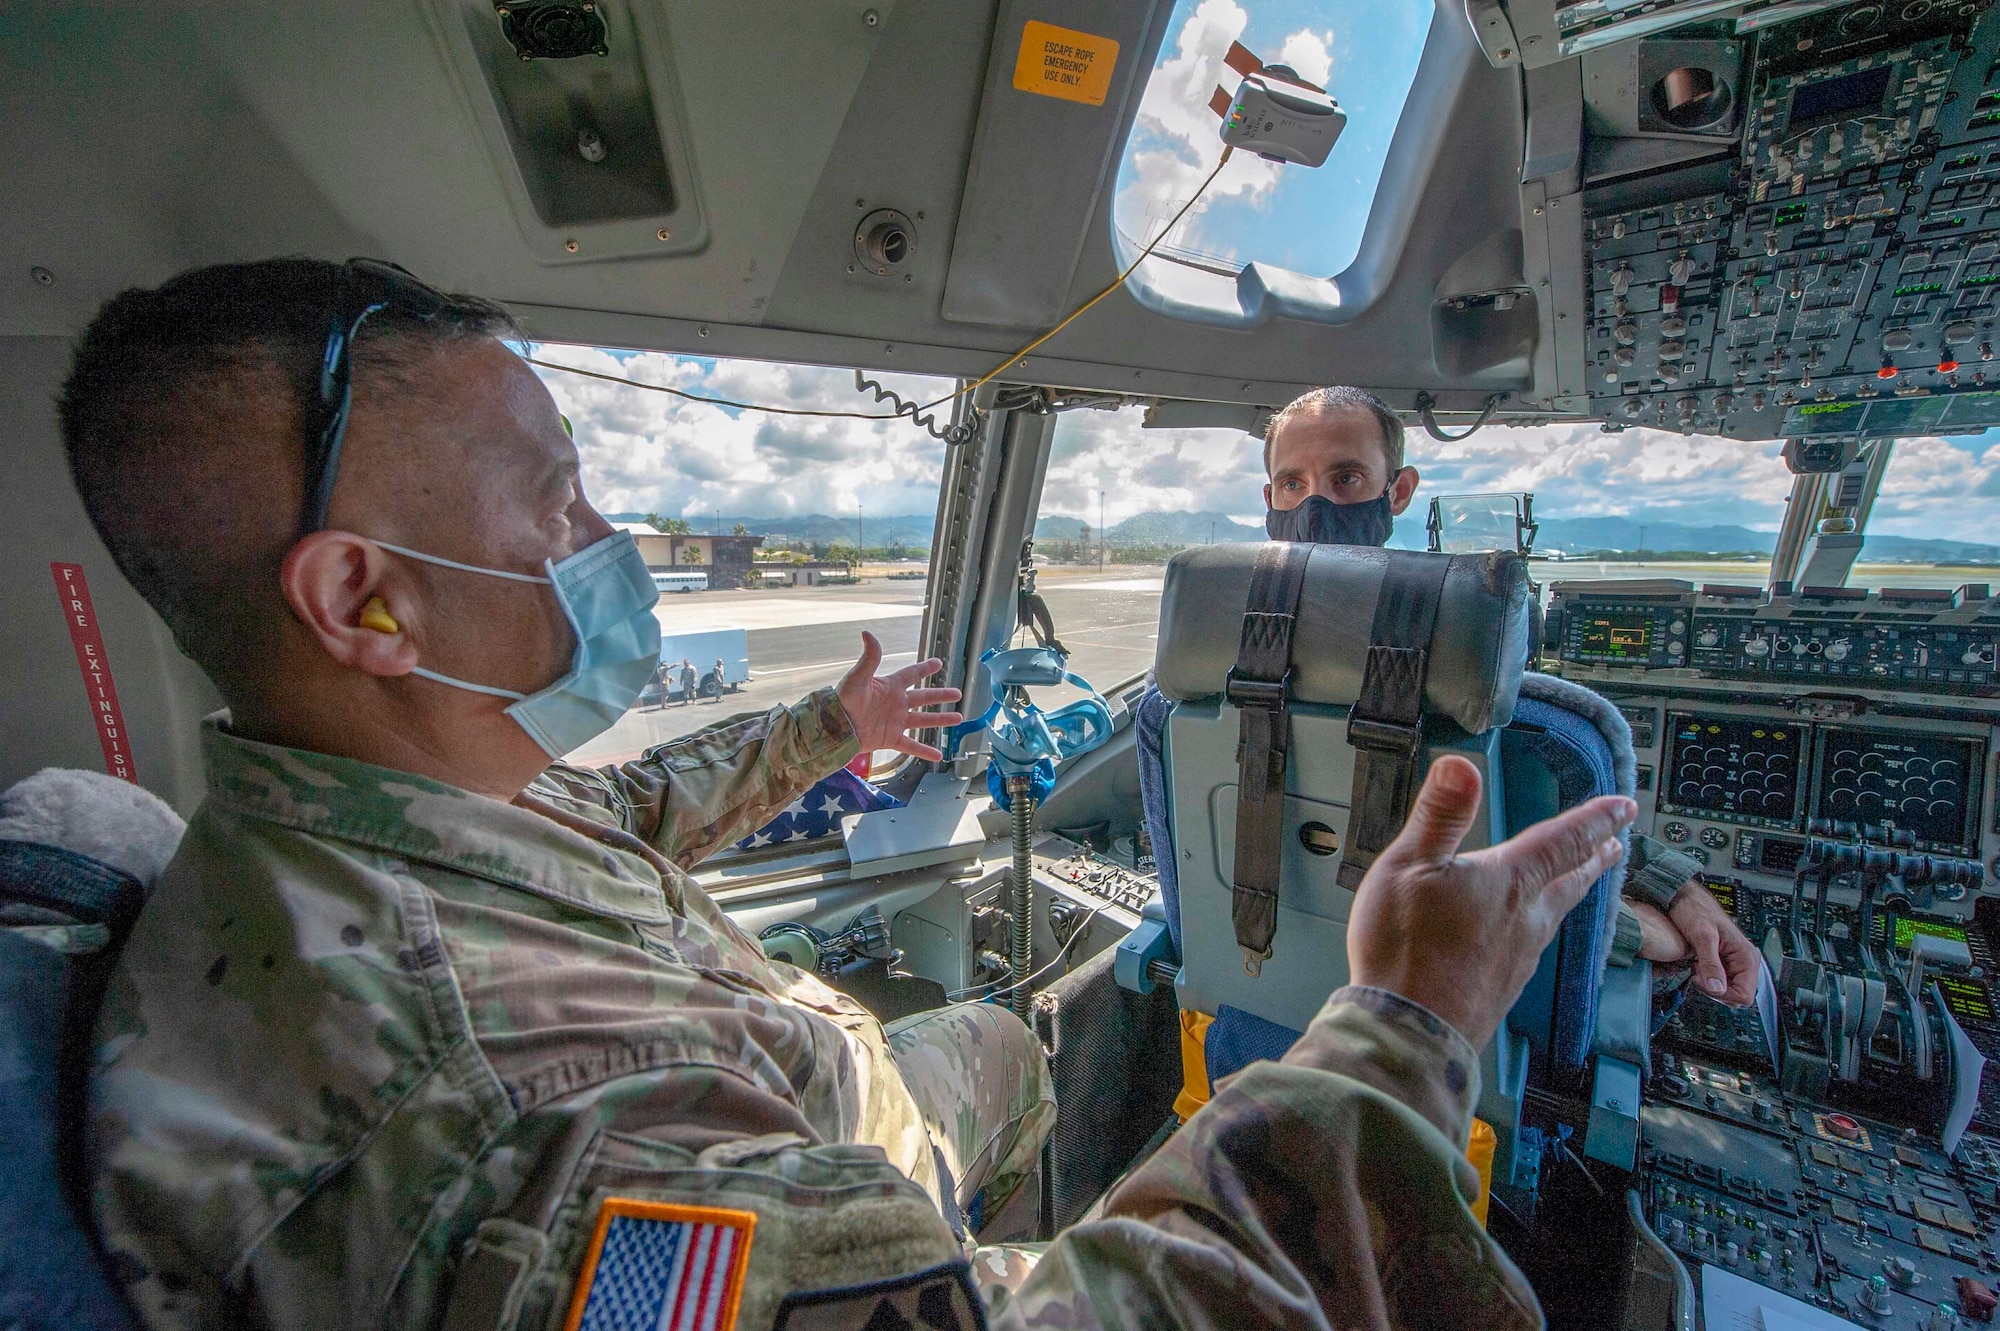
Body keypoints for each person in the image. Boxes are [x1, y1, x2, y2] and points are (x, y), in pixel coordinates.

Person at [67, 259, 1634, 1331]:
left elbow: (626, 819)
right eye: (558, 495)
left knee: (1019, 1037)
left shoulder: (374, 813)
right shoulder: (506, 1133)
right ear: (363, 599)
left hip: (813, 1071)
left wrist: (834, 721)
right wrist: (1405, 1025)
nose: (611, 530)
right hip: (811, 1155)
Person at [1133, 386, 1761, 1008]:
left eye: (1346, 478)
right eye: (1293, 485)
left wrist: (1673, 888)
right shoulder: (1527, 720)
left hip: (1246, 1003)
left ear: (1397, 491)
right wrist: (1646, 913)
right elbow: (1554, 883)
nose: (1316, 504)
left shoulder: (1180, 703)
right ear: (1270, 499)